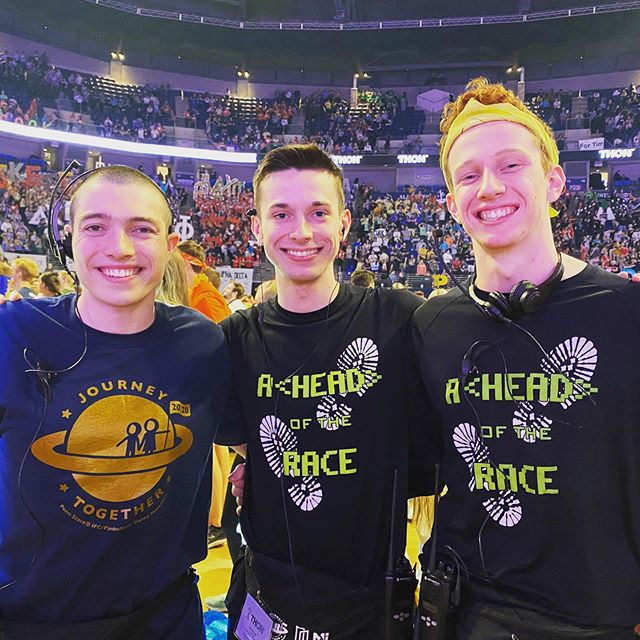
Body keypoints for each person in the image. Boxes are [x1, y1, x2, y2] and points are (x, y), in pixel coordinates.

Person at [412, 78, 640, 638]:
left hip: (597, 619)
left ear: (554, 181)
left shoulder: (626, 311)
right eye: (468, 175)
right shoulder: (431, 325)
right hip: (465, 616)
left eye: (511, 165)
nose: (489, 187)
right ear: (451, 202)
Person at [0, 165, 230, 639]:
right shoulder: (12, 331)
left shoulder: (204, 345)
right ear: (69, 238)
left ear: (170, 247)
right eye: (95, 226)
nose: (119, 247)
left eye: (141, 228)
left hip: (165, 619)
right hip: (31, 622)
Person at [215, 144, 432, 640]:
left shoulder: (398, 319)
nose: (302, 232)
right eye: (281, 214)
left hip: (369, 598)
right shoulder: (235, 338)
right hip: (270, 591)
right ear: (256, 228)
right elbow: (248, 452)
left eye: (318, 212)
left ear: (345, 223)